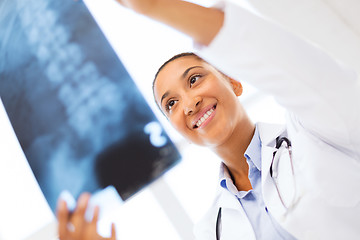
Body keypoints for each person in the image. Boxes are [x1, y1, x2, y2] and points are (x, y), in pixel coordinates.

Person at [56, 0, 360, 239]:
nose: (189, 103)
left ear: (235, 83)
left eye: (195, 79)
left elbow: (293, 69)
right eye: (171, 103)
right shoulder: (210, 230)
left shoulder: (315, 132)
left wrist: (158, 7)